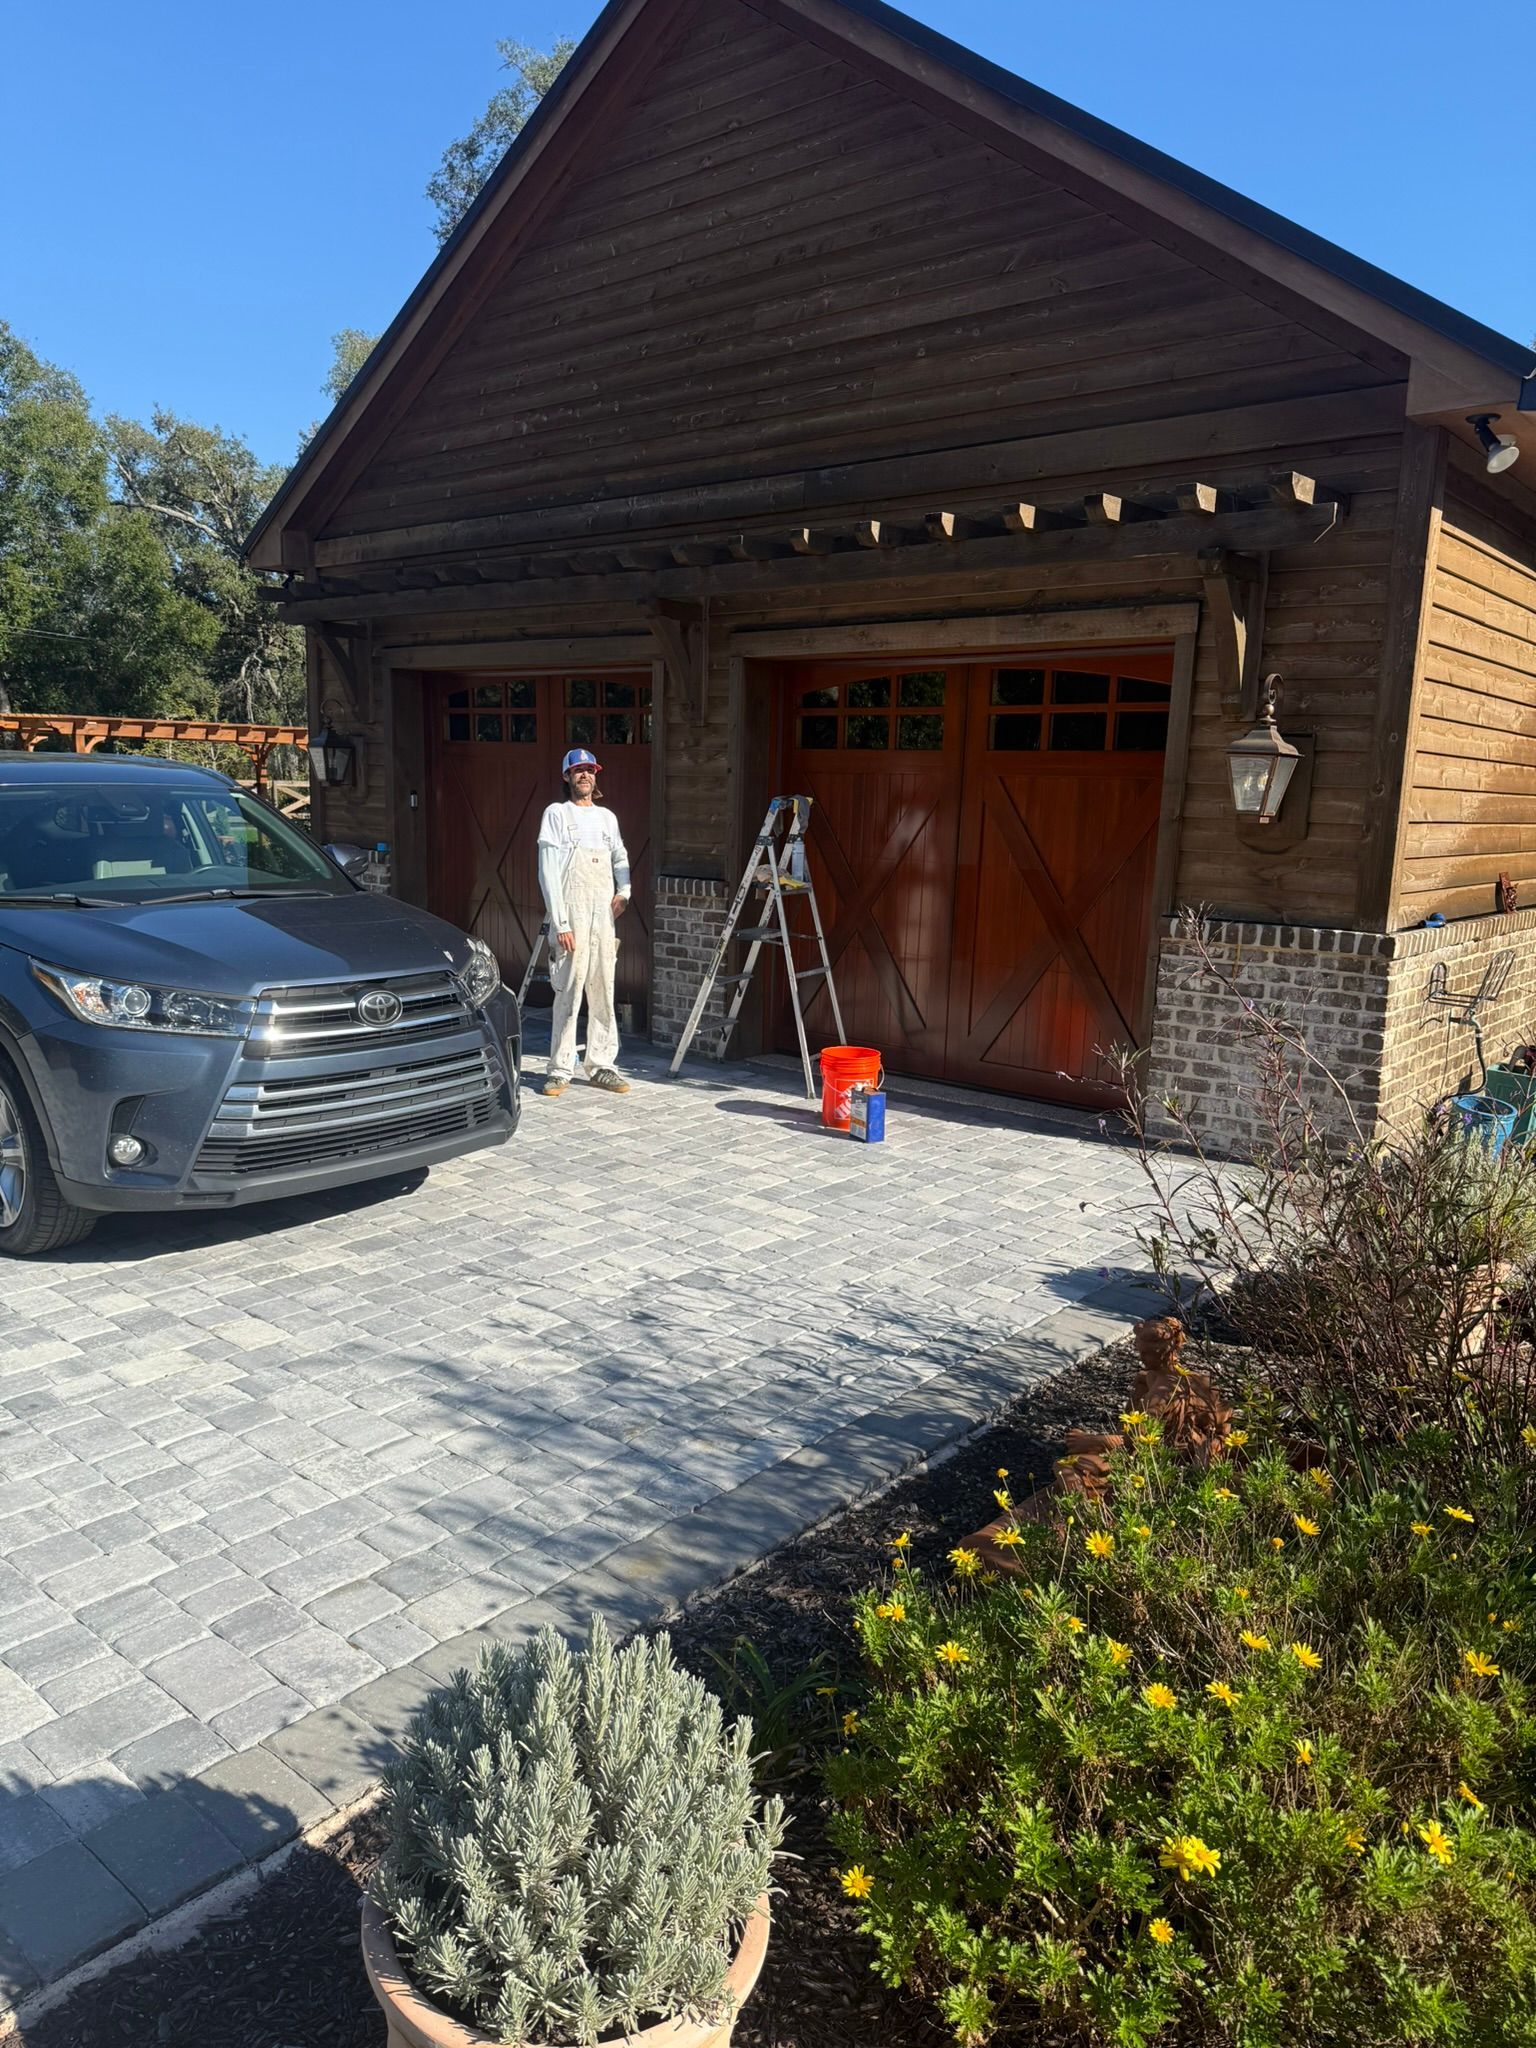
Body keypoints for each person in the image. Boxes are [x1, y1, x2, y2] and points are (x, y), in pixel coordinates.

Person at [537, 749, 632, 1097]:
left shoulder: (608, 818)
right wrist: (561, 921)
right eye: (577, 771)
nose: (584, 776)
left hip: (603, 916)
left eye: (589, 770)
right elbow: (547, 871)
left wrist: (625, 890)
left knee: (603, 988)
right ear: (566, 777)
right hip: (571, 913)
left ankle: (601, 1065)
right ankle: (560, 1068)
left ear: (596, 776)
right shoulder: (557, 815)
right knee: (569, 989)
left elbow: (619, 856)